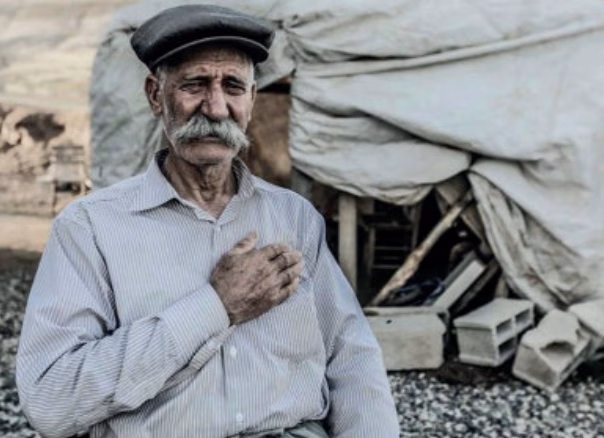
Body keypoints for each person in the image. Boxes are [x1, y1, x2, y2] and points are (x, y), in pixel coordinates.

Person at [16, 5, 399, 438]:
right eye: (194, 84)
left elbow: (353, 360)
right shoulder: (90, 228)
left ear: (251, 100)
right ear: (155, 95)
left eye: (232, 86)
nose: (215, 108)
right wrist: (216, 306)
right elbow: (50, 401)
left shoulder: (294, 217)